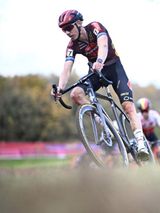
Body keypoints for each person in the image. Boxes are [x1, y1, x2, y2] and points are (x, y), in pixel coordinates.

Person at [51, 10, 149, 161]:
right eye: (63, 30)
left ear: (78, 23)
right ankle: (107, 125)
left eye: (69, 28)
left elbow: (103, 45)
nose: (67, 32)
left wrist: (100, 61)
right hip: (96, 72)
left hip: (114, 68)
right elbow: (67, 67)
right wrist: (59, 88)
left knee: (128, 107)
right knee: (75, 94)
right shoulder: (72, 45)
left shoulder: (95, 27)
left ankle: (141, 143)